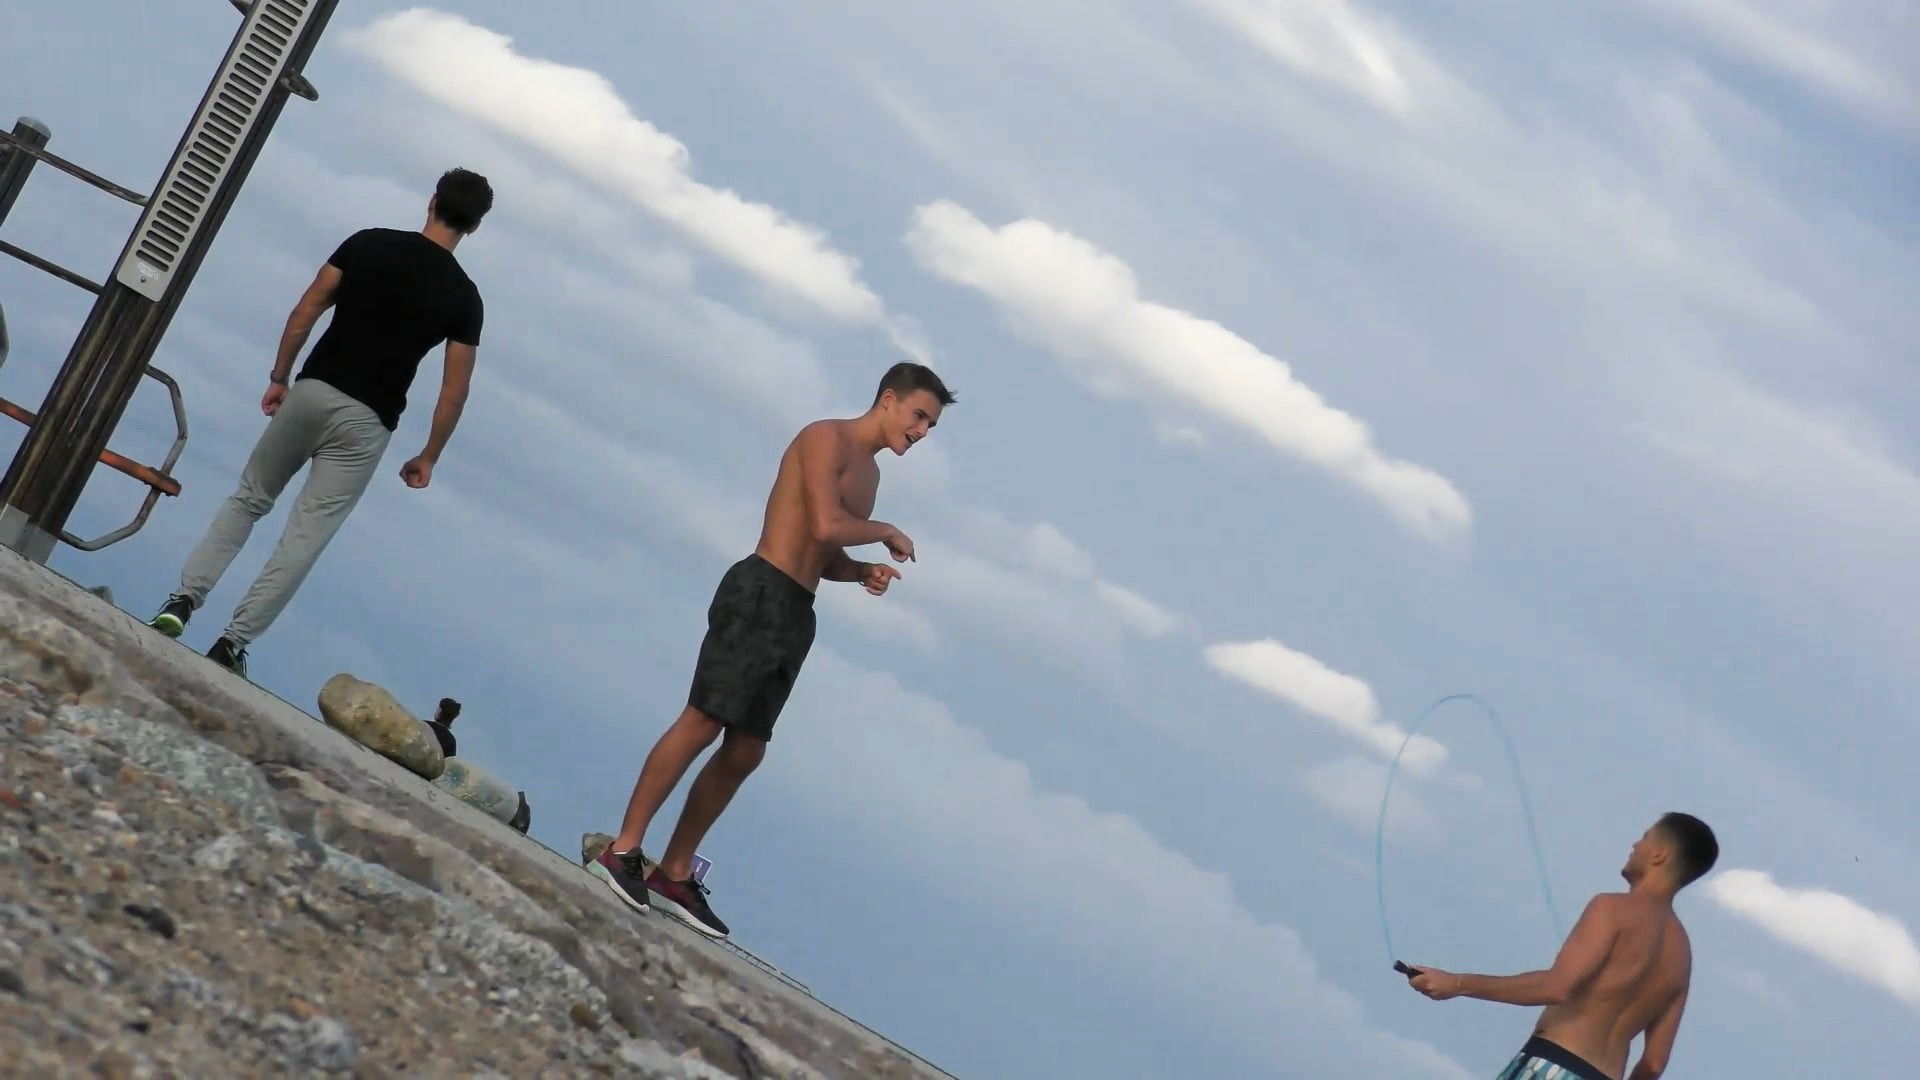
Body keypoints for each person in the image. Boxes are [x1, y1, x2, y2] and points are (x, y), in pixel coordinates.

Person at [591, 361, 956, 938]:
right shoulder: (824, 437)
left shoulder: (870, 475)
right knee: (704, 720)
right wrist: (883, 530)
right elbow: (823, 521)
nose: (921, 432)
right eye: (918, 417)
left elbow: (829, 551)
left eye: (930, 426)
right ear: (888, 399)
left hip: (795, 610)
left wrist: (863, 571)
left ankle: (675, 872)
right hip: (760, 588)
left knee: (747, 749)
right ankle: (624, 849)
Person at [145, 169, 493, 677]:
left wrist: (280, 375)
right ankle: (232, 644)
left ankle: (182, 601)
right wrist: (428, 455)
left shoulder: (368, 244)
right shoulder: (465, 298)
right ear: (474, 227)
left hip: (313, 390)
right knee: (304, 537)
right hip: (368, 422)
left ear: (432, 202)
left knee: (249, 499)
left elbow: (306, 309)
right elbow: (453, 390)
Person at [1403, 812, 1719, 1080]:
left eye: (1644, 838)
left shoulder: (1612, 907)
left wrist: (1456, 983)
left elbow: (1557, 987)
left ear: (1659, 854)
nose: (1635, 845)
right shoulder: (1682, 955)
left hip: (1552, 1065)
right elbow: (1653, 1064)